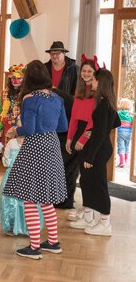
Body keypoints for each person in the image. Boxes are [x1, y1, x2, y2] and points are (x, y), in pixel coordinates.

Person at [4, 60, 68, 260]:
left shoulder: (30, 99)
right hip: (52, 145)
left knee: (30, 199)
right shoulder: (57, 98)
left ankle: (33, 247)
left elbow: (29, 129)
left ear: (28, 79)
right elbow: (62, 126)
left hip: (35, 147)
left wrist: (15, 131)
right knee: (46, 199)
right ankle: (53, 242)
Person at [72, 69, 121, 236]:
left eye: (94, 80)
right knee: (91, 183)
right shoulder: (107, 102)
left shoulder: (103, 104)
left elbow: (102, 133)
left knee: (99, 186)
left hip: (99, 150)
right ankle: (92, 219)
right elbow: (114, 122)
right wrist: (93, 130)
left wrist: (91, 156)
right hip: (101, 147)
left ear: (101, 83)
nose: (91, 83)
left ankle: (105, 223)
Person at [63, 55, 98, 214]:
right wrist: (70, 138)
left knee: (87, 176)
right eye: (84, 70)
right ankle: (80, 205)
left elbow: (93, 121)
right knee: (74, 171)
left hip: (89, 134)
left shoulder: (97, 93)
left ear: (94, 72)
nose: (86, 73)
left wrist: (83, 139)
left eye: (89, 71)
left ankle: (89, 209)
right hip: (77, 131)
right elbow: (74, 118)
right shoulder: (80, 90)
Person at [0, 137, 44, 236]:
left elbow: (6, 161)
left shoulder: (33, 141)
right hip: (16, 176)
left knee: (26, 202)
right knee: (11, 201)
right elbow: (5, 161)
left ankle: (28, 226)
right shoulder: (13, 142)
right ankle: (14, 226)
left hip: (24, 176)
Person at [0, 64, 24, 146]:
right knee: (7, 153)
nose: (16, 81)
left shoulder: (26, 94)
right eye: (13, 78)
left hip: (21, 128)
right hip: (7, 128)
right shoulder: (4, 93)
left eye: (19, 78)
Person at [116, 98, 133, 168]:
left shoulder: (119, 113)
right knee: (127, 146)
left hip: (120, 131)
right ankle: (125, 161)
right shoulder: (130, 114)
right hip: (129, 132)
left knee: (121, 146)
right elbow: (132, 124)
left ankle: (122, 162)